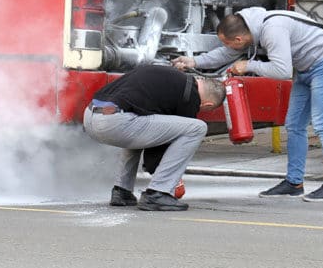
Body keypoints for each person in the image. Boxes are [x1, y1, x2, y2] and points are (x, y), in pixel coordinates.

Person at [171, 7, 323, 202]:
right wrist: (193, 61)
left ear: (239, 40)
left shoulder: (272, 29)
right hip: (306, 69)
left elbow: (282, 71)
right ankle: (294, 183)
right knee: (294, 125)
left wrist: (249, 65)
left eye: (228, 43)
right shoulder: (248, 24)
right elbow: (225, 54)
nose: (228, 47)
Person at [83, 64, 225, 211]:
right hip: (115, 122)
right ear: (208, 104)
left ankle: (122, 191)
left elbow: (153, 136)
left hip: (90, 117)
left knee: (138, 125)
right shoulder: (190, 96)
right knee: (197, 128)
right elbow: (160, 149)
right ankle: (158, 194)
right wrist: (171, 182)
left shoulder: (172, 78)